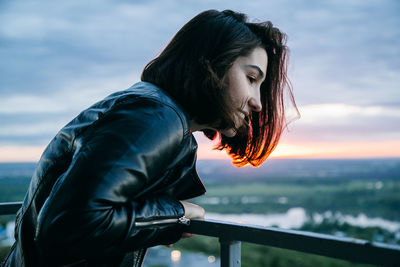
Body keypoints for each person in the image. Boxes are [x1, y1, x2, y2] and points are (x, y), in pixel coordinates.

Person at [2, 9, 297, 267]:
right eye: (251, 78)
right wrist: (176, 214)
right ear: (211, 63)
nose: (258, 102)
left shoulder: (152, 110)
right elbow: (68, 225)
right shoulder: (156, 116)